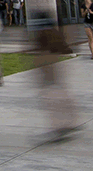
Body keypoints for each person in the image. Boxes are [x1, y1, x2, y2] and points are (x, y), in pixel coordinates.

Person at [28, 11, 79, 142]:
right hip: (52, 62)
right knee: (58, 92)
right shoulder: (50, 28)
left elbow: (39, 46)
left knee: (51, 96)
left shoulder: (43, 29)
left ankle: (61, 124)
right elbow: (63, 46)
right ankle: (68, 121)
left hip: (48, 63)